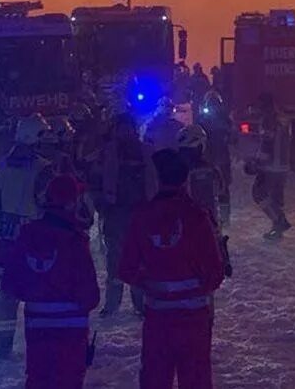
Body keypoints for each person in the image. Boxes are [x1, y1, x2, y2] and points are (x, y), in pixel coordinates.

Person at [119, 149, 226, 389]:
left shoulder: (142, 215)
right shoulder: (198, 216)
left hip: (158, 318)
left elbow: (125, 267)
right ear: (185, 179)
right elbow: (215, 270)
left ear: (158, 178)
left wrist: (149, 282)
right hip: (195, 318)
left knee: (155, 378)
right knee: (196, 378)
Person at [0, 174, 101, 389]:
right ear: (73, 202)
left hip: (37, 324)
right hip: (72, 327)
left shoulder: (27, 233)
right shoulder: (75, 239)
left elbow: (10, 282)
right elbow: (90, 295)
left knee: (39, 378)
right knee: (69, 380)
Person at [0, 114, 55, 359]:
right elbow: (47, 202)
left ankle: (1, 346)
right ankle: (39, 345)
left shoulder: (4, 164)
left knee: (5, 294)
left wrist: (0, 232)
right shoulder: (43, 167)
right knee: (39, 292)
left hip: (7, 241)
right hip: (34, 239)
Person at [97, 113, 152, 316]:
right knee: (114, 260)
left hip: (138, 211)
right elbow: (99, 177)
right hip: (115, 211)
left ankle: (140, 302)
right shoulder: (108, 151)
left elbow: (151, 179)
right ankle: (113, 303)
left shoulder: (144, 150)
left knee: (139, 258)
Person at [177, 125, 232, 277]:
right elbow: (221, 193)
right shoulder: (211, 170)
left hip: (188, 229)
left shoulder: (177, 172)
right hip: (206, 227)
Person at [247, 93, 290, 240]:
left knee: (258, 193)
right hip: (283, 165)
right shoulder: (282, 118)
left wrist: (256, 163)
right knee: (276, 198)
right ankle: (277, 230)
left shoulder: (268, 120)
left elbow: (267, 144)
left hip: (271, 167)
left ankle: (279, 221)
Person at [196, 89, 234, 226]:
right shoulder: (224, 120)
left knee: (212, 189)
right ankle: (222, 218)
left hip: (211, 159)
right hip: (217, 158)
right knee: (221, 189)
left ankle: (217, 218)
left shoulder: (205, 120)